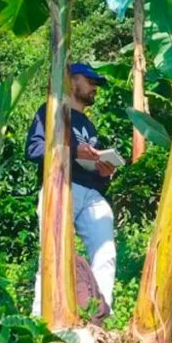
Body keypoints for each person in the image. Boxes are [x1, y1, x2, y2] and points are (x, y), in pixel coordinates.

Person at [26, 63, 117, 315]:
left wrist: (103, 172)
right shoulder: (51, 111)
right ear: (71, 80)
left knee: (105, 252)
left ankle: (99, 314)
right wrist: (72, 151)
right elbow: (33, 150)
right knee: (52, 253)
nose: (94, 88)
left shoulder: (88, 124)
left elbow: (89, 165)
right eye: (90, 81)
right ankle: (39, 318)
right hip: (61, 187)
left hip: (91, 193)